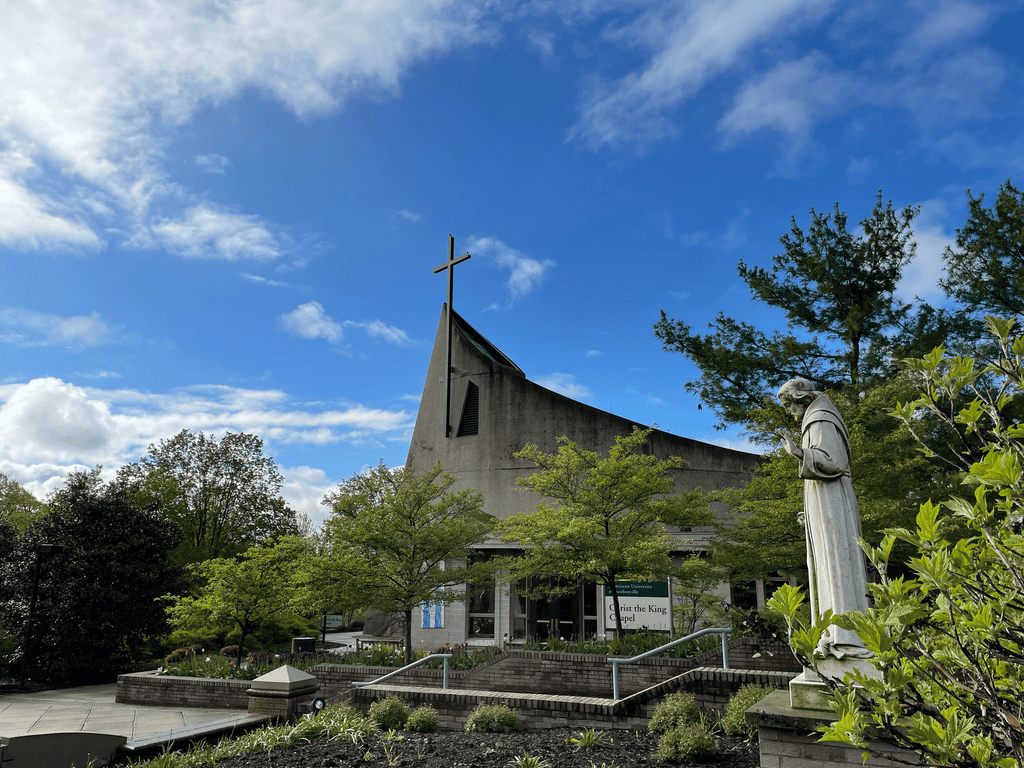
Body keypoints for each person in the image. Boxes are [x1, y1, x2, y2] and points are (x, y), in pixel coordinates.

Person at [777, 378, 871, 659]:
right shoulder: (817, 418)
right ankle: (833, 633)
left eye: (789, 405)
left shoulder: (820, 418)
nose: (789, 412)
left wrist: (798, 452)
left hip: (833, 503)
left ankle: (847, 637)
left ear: (801, 398)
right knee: (828, 565)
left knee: (836, 563)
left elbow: (834, 462)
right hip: (826, 503)